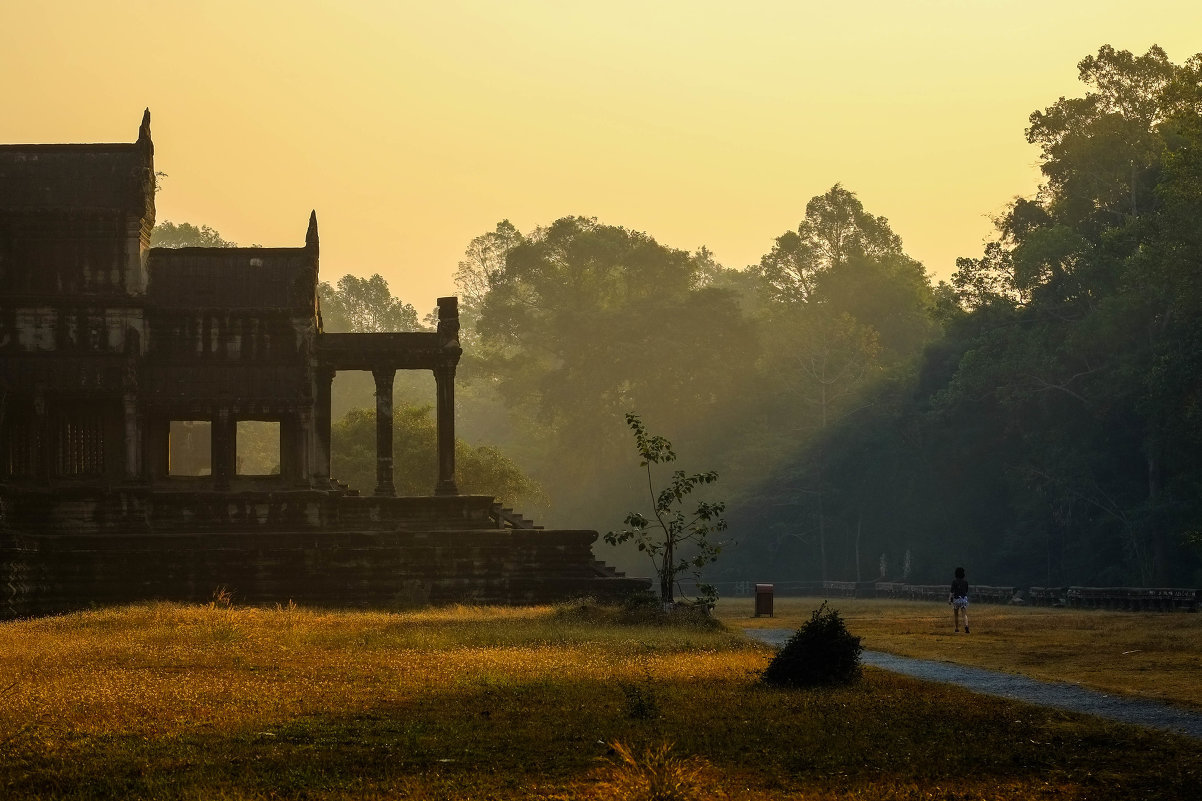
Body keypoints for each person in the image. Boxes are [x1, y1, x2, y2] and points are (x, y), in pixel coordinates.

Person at [949, 566, 969, 633]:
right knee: (964, 614)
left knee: (956, 614)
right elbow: (966, 591)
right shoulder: (965, 582)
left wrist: (949, 600)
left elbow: (952, 592)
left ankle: (957, 628)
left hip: (956, 600)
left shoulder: (954, 582)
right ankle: (966, 626)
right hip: (963, 599)